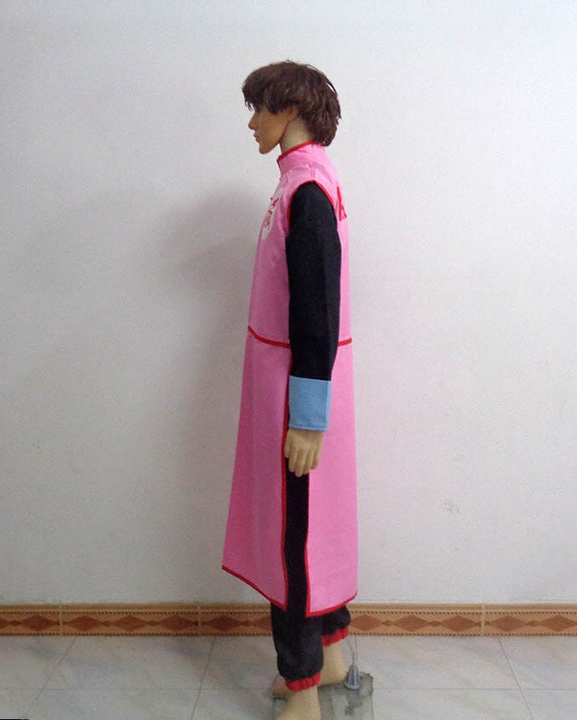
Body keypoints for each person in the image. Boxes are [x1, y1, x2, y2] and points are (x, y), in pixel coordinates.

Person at [222, 61, 357, 720]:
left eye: (261, 108)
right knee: (312, 528)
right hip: (292, 382)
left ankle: (302, 689)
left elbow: (315, 313)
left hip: (296, 392)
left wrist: (306, 416)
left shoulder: (307, 192)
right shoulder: (302, 180)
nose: (252, 122)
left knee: (294, 539)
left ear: (292, 111)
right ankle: (332, 656)